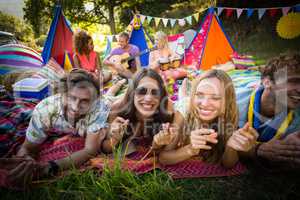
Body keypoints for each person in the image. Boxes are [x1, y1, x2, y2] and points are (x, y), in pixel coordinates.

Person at [7, 69, 110, 186]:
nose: (75, 107)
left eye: (84, 101)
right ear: (62, 94)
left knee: (112, 100)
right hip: (58, 121)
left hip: (103, 108)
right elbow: (28, 148)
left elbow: (90, 150)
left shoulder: (99, 107)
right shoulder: (44, 110)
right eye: (72, 97)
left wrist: (52, 166)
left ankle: (117, 85)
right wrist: (26, 163)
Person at [158, 69, 258, 168]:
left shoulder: (230, 111)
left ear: (227, 101)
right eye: (199, 95)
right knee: (183, 97)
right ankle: (184, 87)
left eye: (215, 98)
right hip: (186, 103)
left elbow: (228, 164)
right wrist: (190, 149)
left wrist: (230, 147)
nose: (205, 104)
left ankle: (185, 88)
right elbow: (163, 158)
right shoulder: (184, 110)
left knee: (186, 96)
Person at [236, 52, 300, 169]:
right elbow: (220, 140)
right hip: (242, 81)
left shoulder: (296, 119)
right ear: (267, 82)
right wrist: (258, 149)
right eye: (293, 81)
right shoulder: (236, 102)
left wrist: (289, 148)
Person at [102, 68, 174, 154]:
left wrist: (158, 145)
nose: (148, 98)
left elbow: (163, 151)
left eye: (155, 92)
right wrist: (114, 139)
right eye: (142, 91)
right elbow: (105, 149)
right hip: (111, 101)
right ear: (132, 93)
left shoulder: (166, 107)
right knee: (108, 96)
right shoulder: (117, 109)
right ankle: (118, 84)